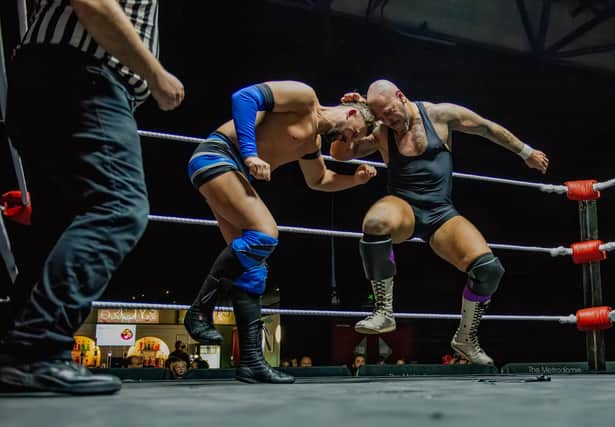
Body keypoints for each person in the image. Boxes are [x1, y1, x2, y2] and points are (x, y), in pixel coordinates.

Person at [0, 0, 184, 395]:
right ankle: (37, 348)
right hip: (81, 76)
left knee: (56, 226)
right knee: (120, 208)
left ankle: (17, 354)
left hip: (52, 78)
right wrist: (155, 75)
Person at [334, 80, 549, 365]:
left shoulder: (439, 115)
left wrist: (525, 152)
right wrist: (349, 116)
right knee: (375, 222)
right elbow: (340, 153)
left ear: (401, 96)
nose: (388, 120)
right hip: (403, 208)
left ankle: (465, 338)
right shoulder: (381, 131)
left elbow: (486, 127)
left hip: (441, 213)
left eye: (389, 112)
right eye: (381, 116)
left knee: (489, 270)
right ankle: (384, 312)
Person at [184, 80, 378, 384]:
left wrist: (356, 179)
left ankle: (251, 362)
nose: (347, 140)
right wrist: (250, 154)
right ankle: (199, 311)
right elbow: (244, 97)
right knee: (266, 233)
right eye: (355, 133)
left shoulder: (311, 144)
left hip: (233, 171)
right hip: (219, 155)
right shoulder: (304, 98)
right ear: (352, 113)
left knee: (252, 270)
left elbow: (319, 180)